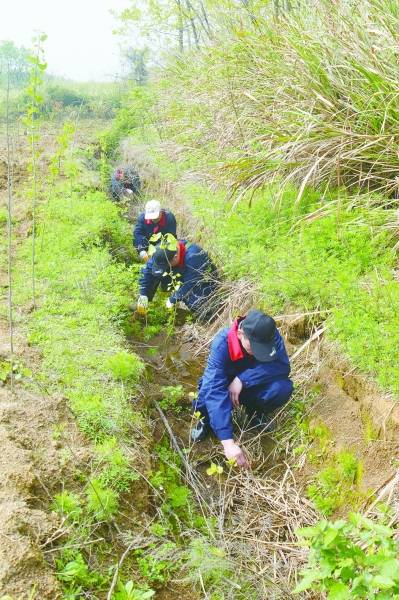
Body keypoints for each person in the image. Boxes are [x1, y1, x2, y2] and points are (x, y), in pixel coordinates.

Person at [191, 310, 293, 469]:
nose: (261, 353)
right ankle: (208, 422)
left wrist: (242, 379)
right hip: (224, 386)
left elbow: (281, 366)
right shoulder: (222, 344)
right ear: (240, 334)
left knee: (281, 388)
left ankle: (255, 411)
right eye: (255, 347)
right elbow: (214, 390)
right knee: (204, 399)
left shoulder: (268, 335)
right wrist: (228, 443)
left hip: (249, 385)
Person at [136, 235, 218, 317]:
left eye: (166, 265)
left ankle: (205, 313)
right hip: (181, 273)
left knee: (197, 303)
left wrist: (174, 298)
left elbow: (191, 283)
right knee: (155, 274)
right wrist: (143, 294)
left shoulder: (194, 256)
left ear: (175, 257)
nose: (164, 267)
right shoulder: (160, 252)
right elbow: (147, 271)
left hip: (203, 282)